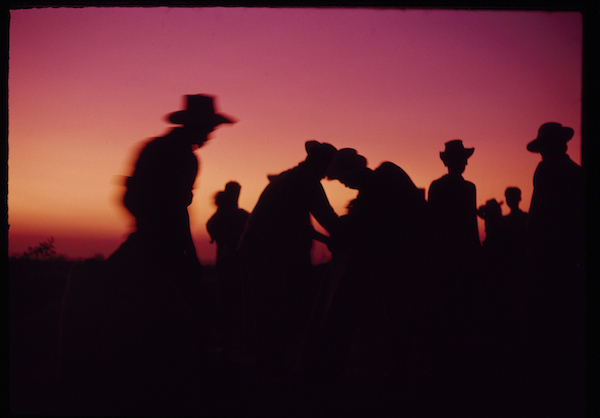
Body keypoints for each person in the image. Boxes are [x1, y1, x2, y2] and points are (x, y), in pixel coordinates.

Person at [58, 95, 236, 415]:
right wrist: (185, 252)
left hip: (145, 237)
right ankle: (195, 375)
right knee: (191, 304)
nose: (210, 135)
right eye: (208, 127)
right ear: (195, 125)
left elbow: (128, 195)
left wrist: (144, 225)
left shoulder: (152, 148)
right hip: (162, 242)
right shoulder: (183, 157)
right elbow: (176, 211)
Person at [303, 148, 437, 381]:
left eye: (344, 180)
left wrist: (342, 231)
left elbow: (370, 225)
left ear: (352, 174)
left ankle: (410, 366)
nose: (344, 185)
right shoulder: (382, 180)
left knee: (402, 307)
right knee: (401, 307)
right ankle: (407, 364)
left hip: (409, 254)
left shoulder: (378, 185)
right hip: (407, 254)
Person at [238, 140, 339, 379]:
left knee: (268, 309)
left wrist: (329, 238)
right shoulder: (306, 181)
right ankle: (272, 369)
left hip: (259, 249)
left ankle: (269, 365)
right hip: (269, 253)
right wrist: (346, 234)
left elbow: (298, 224)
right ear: (323, 164)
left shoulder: (290, 178)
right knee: (278, 308)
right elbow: (327, 219)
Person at [520, 122, 585, 415]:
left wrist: (530, 249)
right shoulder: (576, 173)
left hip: (548, 254)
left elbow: (538, 216)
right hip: (570, 253)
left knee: (546, 315)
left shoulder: (546, 171)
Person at [206, 181, 250, 352]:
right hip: (231, 261)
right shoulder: (234, 215)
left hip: (229, 260)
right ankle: (231, 339)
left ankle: (231, 339)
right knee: (233, 299)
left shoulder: (228, 215)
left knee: (231, 299)